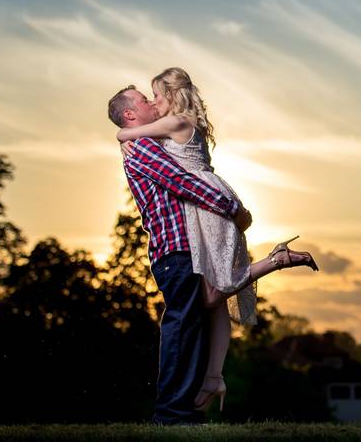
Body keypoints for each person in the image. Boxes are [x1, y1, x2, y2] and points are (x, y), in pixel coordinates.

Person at [110, 70, 318, 417]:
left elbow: (178, 177)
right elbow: (178, 179)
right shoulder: (145, 142)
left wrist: (232, 209)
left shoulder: (150, 134)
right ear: (131, 113)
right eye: (145, 100)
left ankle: (182, 405)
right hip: (188, 229)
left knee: (205, 303)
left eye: (155, 96)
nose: (152, 102)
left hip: (198, 222)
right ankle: (205, 384)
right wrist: (233, 207)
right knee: (206, 304)